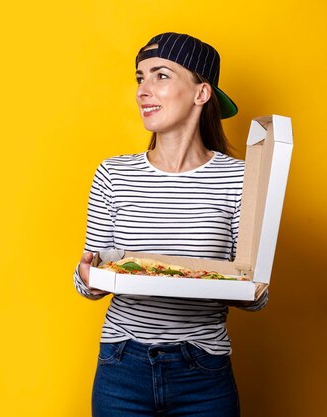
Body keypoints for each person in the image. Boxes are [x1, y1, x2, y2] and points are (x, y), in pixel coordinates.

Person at [73, 32, 268, 417]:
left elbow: (257, 295)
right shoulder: (114, 174)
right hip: (121, 365)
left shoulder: (242, 179)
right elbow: (88, 275)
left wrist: (236, 283)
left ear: (201, 93)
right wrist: (87, 277)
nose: (143, 90)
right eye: (140, 78)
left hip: (203, 370)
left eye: (161, 75)